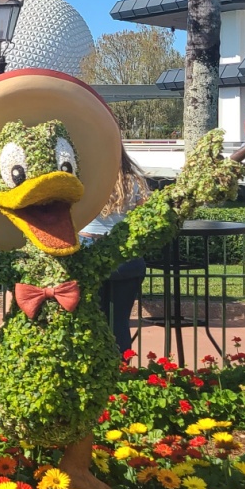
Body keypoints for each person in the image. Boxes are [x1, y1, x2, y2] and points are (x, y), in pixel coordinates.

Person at [81, 148, 151, 354]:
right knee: (119, 321)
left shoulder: (85, 179)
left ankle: (93, 373)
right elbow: (145, 219)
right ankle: (122, 370)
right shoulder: (135, 182)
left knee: (90, 319)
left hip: (87, 253)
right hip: (125, 255)